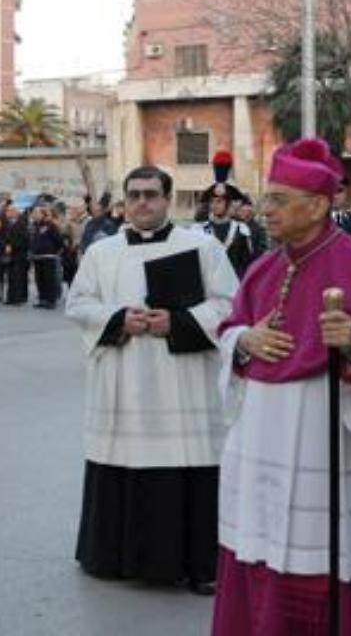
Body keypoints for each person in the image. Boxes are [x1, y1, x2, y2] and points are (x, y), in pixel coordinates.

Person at [212, 138, 351, 634]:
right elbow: (229, 333)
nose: (264, 209)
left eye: (277, 199)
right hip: (260, 456)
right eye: (266, 197)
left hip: (331, 457)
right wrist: (244, 339)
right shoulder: (262, 269)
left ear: (316, 206)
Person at [65, 165, 238, 596]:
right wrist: (118, 318)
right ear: (125, 200)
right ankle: (113, 558)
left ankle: (198, 564)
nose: (142, 203)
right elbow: (79, 303)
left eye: (151, 195)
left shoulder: (203, 248)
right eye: (135, 195)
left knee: (187, 464)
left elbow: (231, 306)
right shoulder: (100, 252)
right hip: (123, 380)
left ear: (168, 199)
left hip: (182, 381)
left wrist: (178, 322)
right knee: (121, 460)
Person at [197, 178, 257, 278]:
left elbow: (247, 265)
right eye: (212, 202)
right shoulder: (199, 230)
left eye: (219, 201)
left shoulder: (241, 230)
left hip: (233, 289)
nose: (214, 205)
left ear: (228, 203)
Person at [29, 205, 64, 309]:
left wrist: (54, 251)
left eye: (36, 213)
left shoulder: (50, 225)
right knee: (39, 280)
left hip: (48, 257)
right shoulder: (34, 226)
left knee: (49, 279)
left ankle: (51, 301)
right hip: (37, 257)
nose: (34, 215)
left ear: (42, 214)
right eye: (33, 213)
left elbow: (59, 240)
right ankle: (42, 299)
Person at [4, 205, 31, 306]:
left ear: (15, 212)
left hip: (19, 255)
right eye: (7, 211)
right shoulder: (8, 224)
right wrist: (6, 245)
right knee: (10, 277)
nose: (8, 213)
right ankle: (10, 297)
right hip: (11, 255)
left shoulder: (21, 224)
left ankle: (18, 298)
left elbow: (25, 240)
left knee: (18, 277)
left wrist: (12, 246)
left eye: (10, 211)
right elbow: (6, 238)